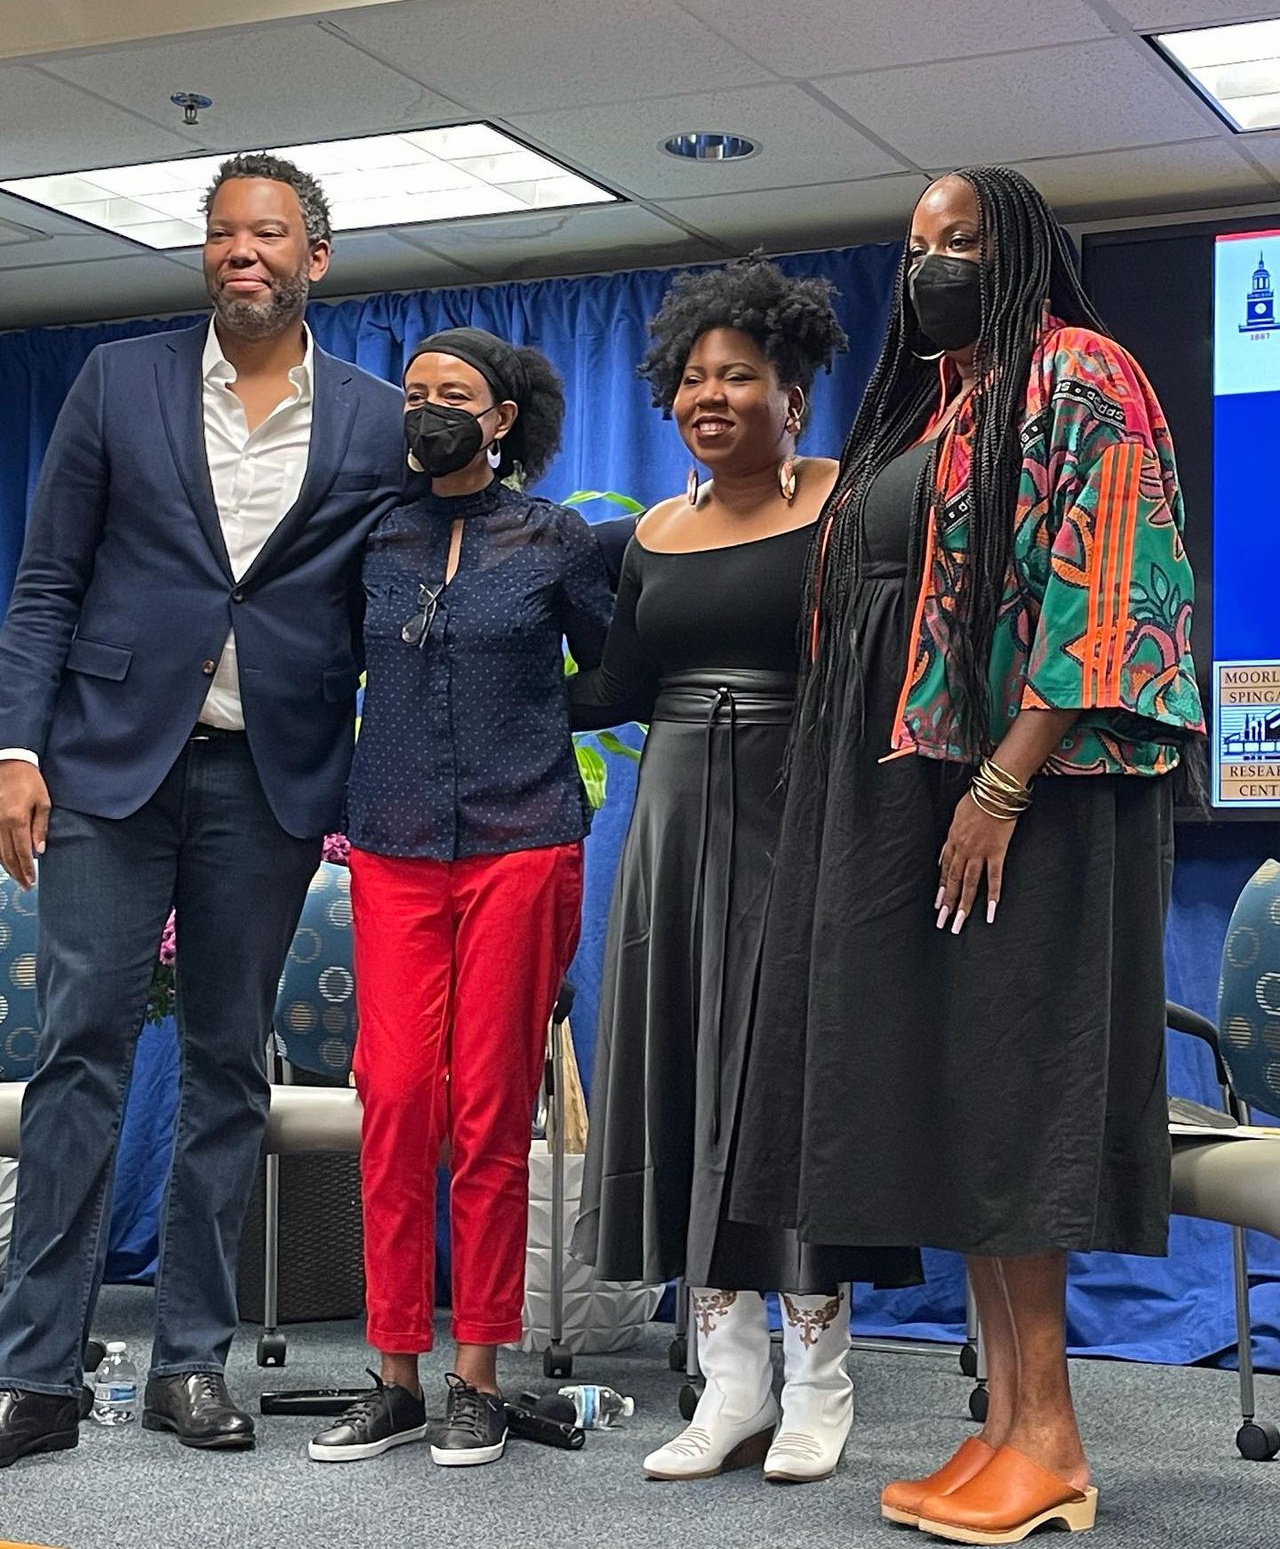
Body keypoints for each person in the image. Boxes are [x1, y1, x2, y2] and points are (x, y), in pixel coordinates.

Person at [730, 168, 1205, 1542]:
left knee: (1013, 1093)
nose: (932, 263)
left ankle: (1051, 1437)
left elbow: (1107, 596)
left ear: (1025, 255)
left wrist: (1000, 784)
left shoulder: (1086, 375)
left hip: (1036, 799)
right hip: (932, 794)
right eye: (917, 243)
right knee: (959, 1101)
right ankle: (1003, 1422)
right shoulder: (946, 400)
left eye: (963, 242)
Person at [0, 153, 411, 1468]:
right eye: (223, 231)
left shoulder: (369, 418)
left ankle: (190, 1362)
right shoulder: (117, 382)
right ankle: (36, 1374)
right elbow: (49, 577)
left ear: (316, 258)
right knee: (80, 1055)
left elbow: (388, 601)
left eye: (269, 232)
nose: (243, 249)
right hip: (108, 768)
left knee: (231, 1067)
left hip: (267, 779)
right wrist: (16, 748)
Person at [570, 254, 918, 1486]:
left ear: (794, 390)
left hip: (801, 809)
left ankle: (820, 1381)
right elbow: (611, 688)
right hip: (668, 822)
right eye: (692, 378)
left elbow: (887, 667)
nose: (710, 394)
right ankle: (728, 1384)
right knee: (678, 1085)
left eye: (740, 374)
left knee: (785, 1089)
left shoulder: (850, 502)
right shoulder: (649, 534)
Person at [308, 328, 612, 1470]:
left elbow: (614, 667)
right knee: (392, 1096)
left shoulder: (555, 539)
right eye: (414, 394)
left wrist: (533, 731)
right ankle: (393, 1370)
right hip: (389, 844)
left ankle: (476, 1374)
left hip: (520, 843)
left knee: (488, 1107)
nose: (428, 409)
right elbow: (324, 666)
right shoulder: (370, 535)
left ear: (500, 418)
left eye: (455, 396)